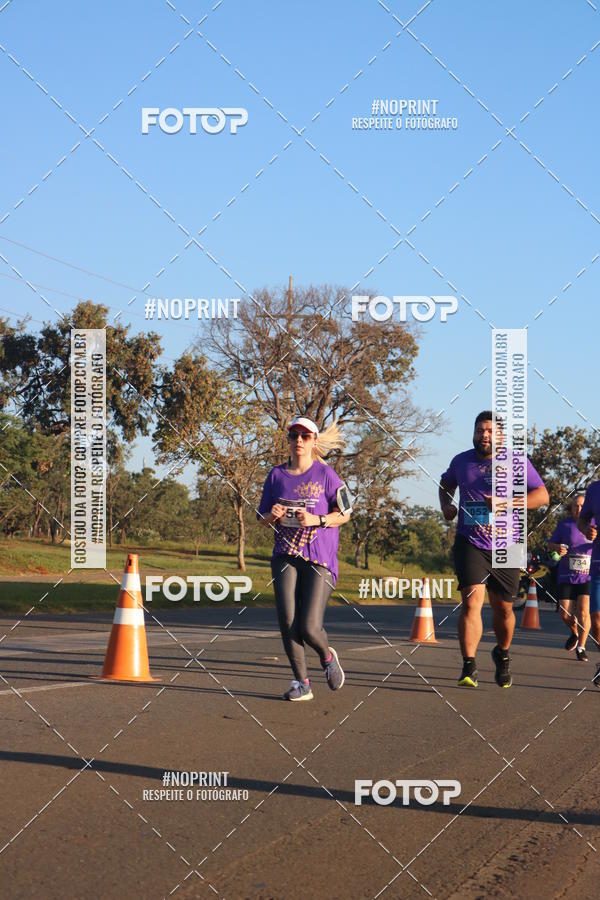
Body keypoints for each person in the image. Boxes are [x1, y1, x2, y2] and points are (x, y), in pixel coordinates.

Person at [439, 411, 549, 688]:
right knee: (471, 602)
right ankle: (469, 665)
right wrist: (447, 506)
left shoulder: (516, 461)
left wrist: (506, 503)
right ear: (474, 433)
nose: (484, 435)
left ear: (500, 435)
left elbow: (542, 496)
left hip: (507, 545)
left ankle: (502, 654)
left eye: (490, 431)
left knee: (503, 610)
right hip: (470, 541)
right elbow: (445, 483)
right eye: (479, 430)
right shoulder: (461, 461)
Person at [257, 416, 352, 701]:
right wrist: (270, 517)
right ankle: (302, 683)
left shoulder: (326, 475)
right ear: (287, 440)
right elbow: (260, 517)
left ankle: (326, 655)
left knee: (309, 627)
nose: (298, 440)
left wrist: (318, 519)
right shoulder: (275, 476)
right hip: (285, 555)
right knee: (288, 622)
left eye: (305, 436)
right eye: (293, 435)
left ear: (313, 442)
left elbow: (346, 513)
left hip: (318, 558)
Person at [547, 494, 593, 661]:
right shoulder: (564, 524)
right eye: (575, 506)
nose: (578, 509)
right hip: (567, 575)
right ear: (571, 508)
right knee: (564, 613)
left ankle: (581, 647)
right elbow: (550, 544)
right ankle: (575, 631)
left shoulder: (594, 524)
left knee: (583, 611)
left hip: (588, 576)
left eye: (581, 506)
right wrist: (557, 548)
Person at [577, 483, 600, 686]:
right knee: (597, 617)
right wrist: (587, 530)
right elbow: (582, 521)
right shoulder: (594, 490)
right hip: (598, 563)